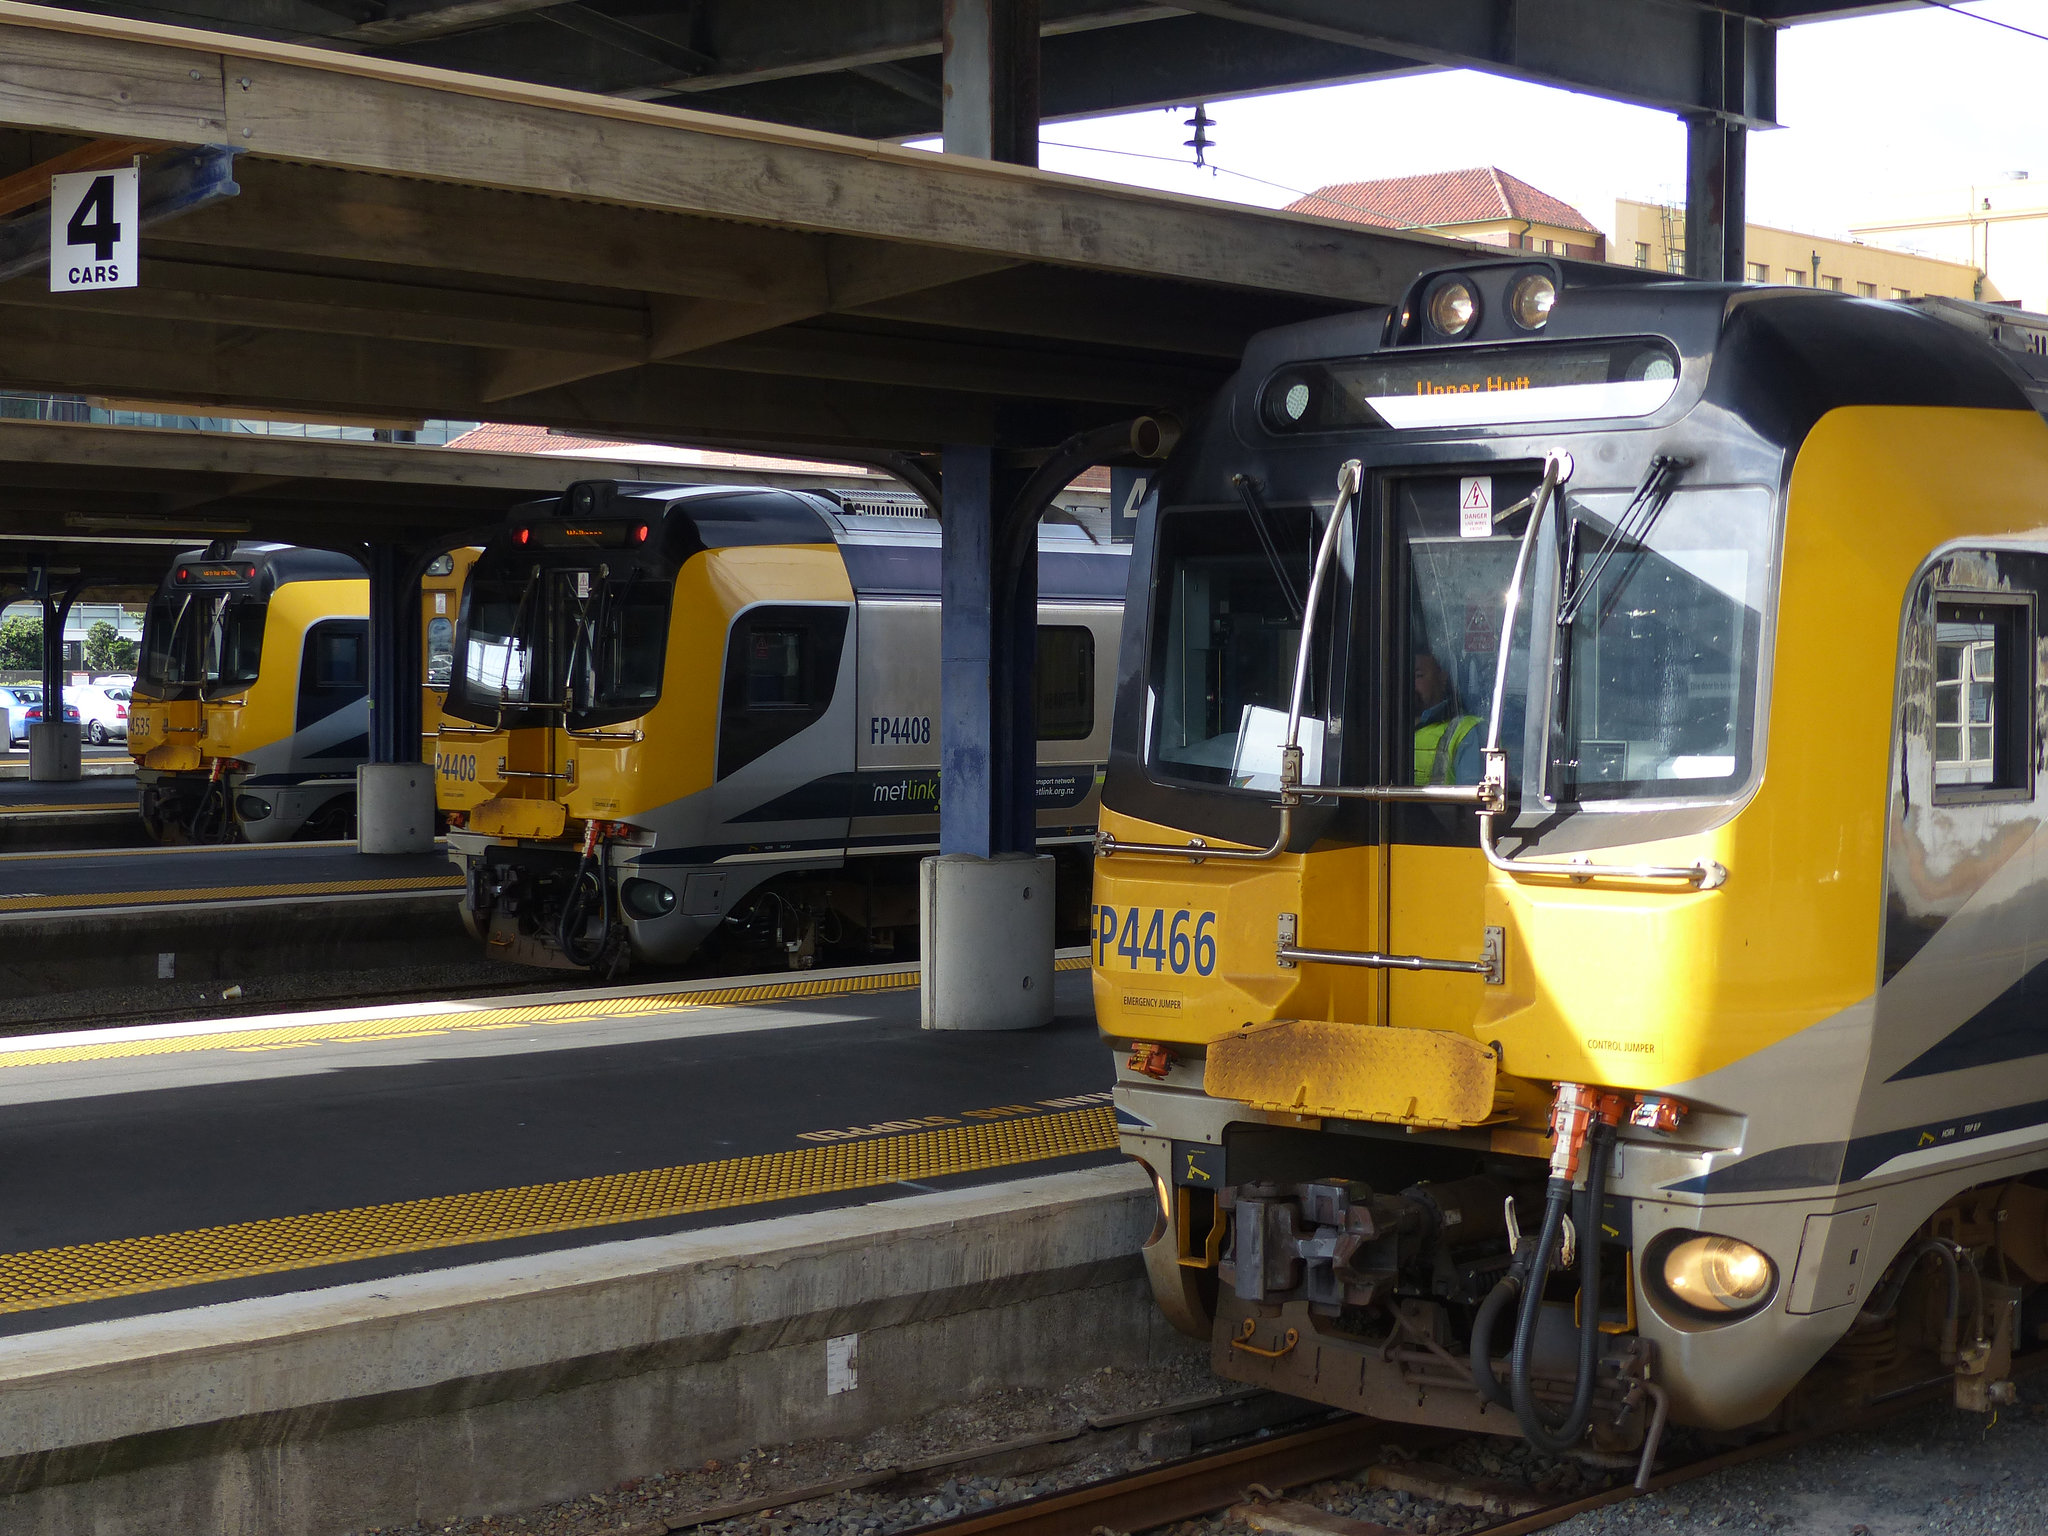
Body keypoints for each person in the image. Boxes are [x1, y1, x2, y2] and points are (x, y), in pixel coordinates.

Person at [1413, 652, 1483, 785]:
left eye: (1418, 676)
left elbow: (1472, 801)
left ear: (1442, 677)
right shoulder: (1384, 725)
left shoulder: (1466, 732)